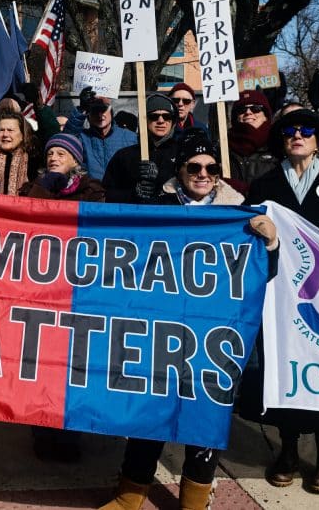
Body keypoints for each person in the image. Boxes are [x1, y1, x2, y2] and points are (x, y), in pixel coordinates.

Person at [99, 129, 278, 510]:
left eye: (211, 167)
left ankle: (195, 496)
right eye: (194, 166)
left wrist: (271, 244)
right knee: (149, 413)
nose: (203, 174)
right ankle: (131, 492)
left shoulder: (240, 212)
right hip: (159, 331)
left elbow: (266, 276)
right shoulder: (159, 207)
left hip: (213, 335)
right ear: (179, 170)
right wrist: (137, 203)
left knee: (205, 416)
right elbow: (125, 251)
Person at [242, 108, 319, 494]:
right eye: (291, 130)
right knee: (284, 367)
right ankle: (289, 449)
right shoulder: (263, 187)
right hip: (279, 296)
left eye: (306, 129)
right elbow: (251, 241)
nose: (298, 135)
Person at [20, 133, 105, 463]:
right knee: (41, 365)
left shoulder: (92, 190)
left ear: (76, 160)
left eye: (62, 153)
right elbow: (26, 217)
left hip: (78, 293)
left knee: (72, 368)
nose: (54, 156)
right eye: (50, 152)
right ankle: (41, 431)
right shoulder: (33, 188)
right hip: (40, 293)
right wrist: (46, 186)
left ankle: (71, 434)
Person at [102, 94, 179, 203]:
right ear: (143, 120)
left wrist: (161, 178)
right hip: (133, 217)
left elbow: (191, 192)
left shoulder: (182, 153)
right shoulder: (124, 156)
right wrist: (133, 194)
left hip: (169, 217)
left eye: (167, 116)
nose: (161, 121)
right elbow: (106, 194)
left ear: (173, 121)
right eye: (154, 116)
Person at [64, 88, 137, 180]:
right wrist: (81, 110)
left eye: (103, 110)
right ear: (88, 115)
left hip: (120, 192)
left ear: (111, 112)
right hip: (91, 192)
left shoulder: (131, 138)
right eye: (94, 111)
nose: (99, 115)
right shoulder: (82, 138)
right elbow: (67, 141)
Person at [0, 110, 42, 196]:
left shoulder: (35, 160)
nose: (5, 134)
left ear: (22, 135)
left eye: (10, 130)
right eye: (1, 130)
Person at [227, 90, 279, 191]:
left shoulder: (278, 145)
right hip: (232, 206)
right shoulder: (222, 149)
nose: (248, 112)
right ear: (235, 117)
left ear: (266, 116)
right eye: (242, 109)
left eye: (256, 108)